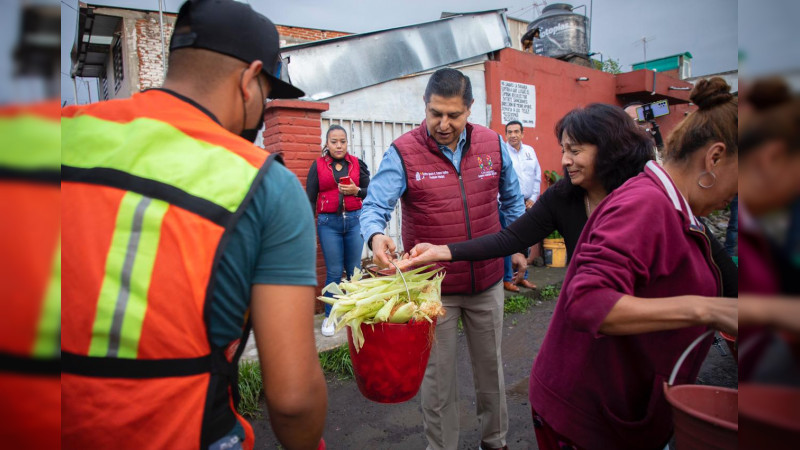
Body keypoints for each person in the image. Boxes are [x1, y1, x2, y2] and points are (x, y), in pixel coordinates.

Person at [61, 1, 327, 449]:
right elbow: (293, 399)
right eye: (267, 94)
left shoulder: (56, 133)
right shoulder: (265, 184)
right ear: (248, 81)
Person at [522, 78, 738, 449]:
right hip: (587, 418)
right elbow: (587, 301)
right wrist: (708, 309)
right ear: (714, 158)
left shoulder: (675, 209)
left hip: (623, 410)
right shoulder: (645, 204)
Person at [360, 68, 525, 450]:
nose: (444, 123)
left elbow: (512, 201)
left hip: (486, 283)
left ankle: (495, 442)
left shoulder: (492, 144)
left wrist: (518, 245)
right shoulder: (404, 151)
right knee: (437, 383)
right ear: (425, 107)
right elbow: (374, 205)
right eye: (436, 113)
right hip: (433, 292)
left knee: (491, 372)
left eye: (454, 115)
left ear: (469, 110)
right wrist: (376, 234)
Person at [306, 125, 370, 336]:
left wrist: (356, 191)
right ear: (327, 143)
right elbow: (310, 198)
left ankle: (357, 314)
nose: (339, 145)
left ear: (347, 143)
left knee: (355, 271)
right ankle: (330, 317)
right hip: (328, 224)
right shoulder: (317, 166)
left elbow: (370, 192)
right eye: (334, 141)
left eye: (342, 141)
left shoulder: (357, 164)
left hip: (354, 222)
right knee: (334, 271)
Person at [502, 120, 541, 291]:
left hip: (528, 204)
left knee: (527, 240)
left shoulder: (530, 152)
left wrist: (533, 197)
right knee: (510, 242)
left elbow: (537, 175)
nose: (513, 135)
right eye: (509, 132)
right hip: (509, 205)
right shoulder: (503, 152)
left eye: (516, 131)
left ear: (522, 134)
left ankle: (523, 277)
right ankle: (508, 279)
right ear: (506, 135)